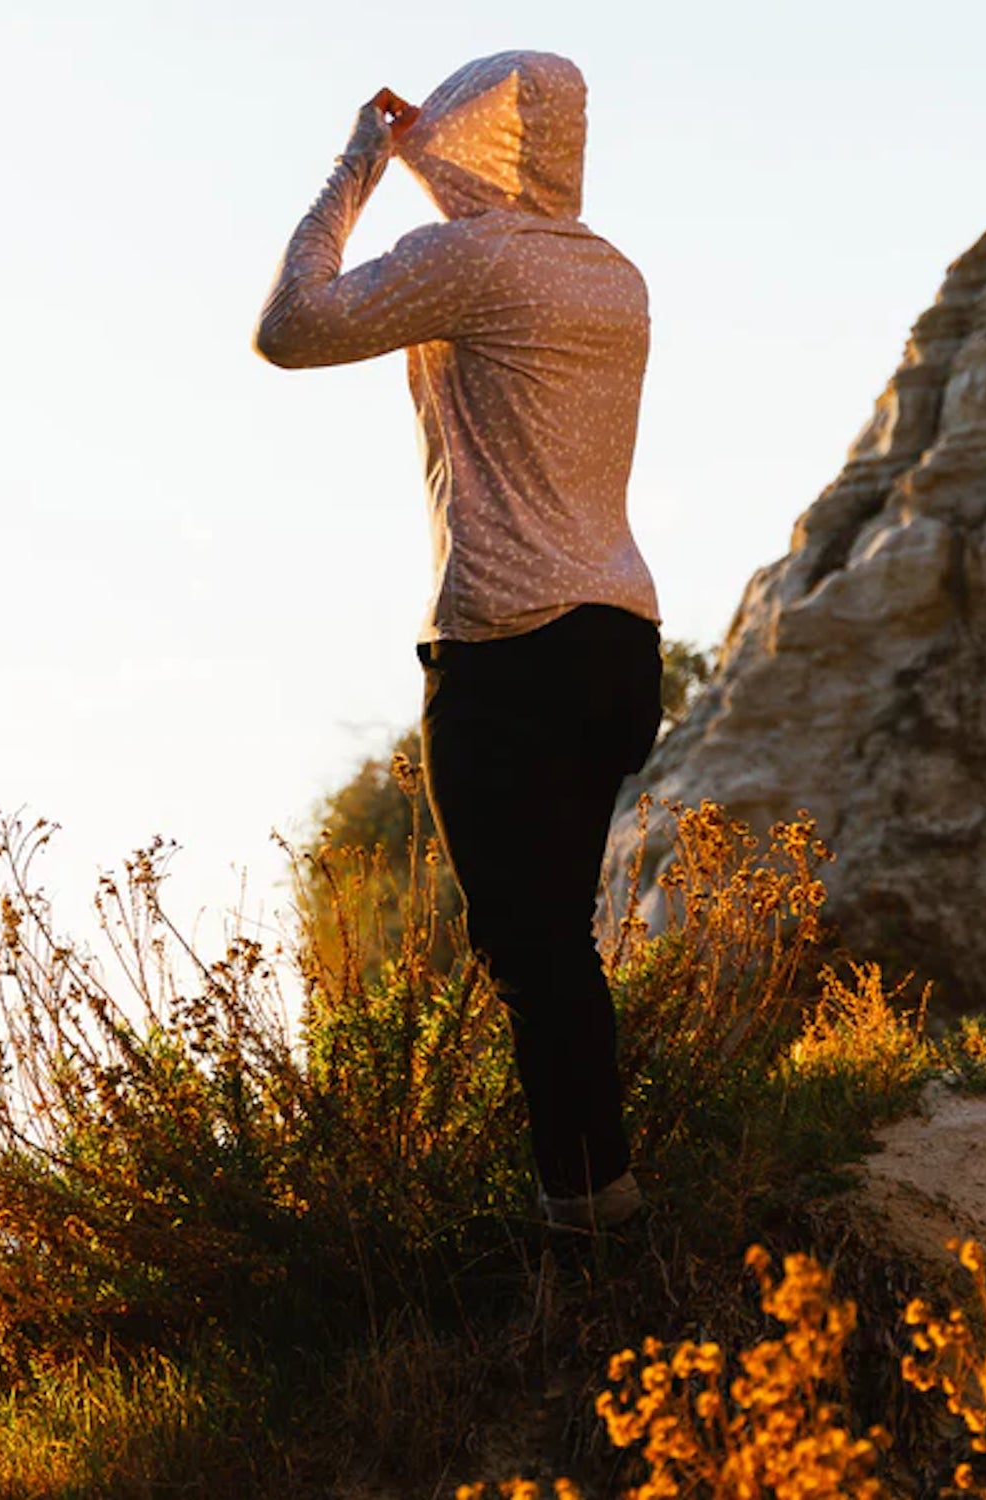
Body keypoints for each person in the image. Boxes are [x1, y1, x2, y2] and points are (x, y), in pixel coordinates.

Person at [253, 51, 663, 1231]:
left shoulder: (469, 262)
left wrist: (360, 165)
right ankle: (601, 1200)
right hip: (620, 639)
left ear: (469, 139)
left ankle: (590, 1225)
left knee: (525, 953)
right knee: (561, 950)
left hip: (507, 643)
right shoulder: (616, 276)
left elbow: (289, 329)